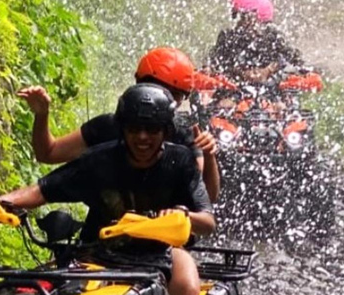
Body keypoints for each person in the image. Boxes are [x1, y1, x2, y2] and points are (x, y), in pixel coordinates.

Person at [0, 84, 215, 295]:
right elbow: (40, 191)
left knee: (187, 288)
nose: (142, 137)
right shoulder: (99, 161)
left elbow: (208, 221)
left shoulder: (181, 161)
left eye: (152, 129)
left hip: (161, 252)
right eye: (134, 129)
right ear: (122, 128)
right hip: (97, 252)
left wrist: (181, 217)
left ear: (166, 131)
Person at [17, 47, 221, 203]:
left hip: (162, 242)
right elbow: (48, 154)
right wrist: (42, 115)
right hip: (103, 237)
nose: (142, 137)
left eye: (173, 96)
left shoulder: (183, 135)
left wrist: (210, 157)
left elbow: (204, 197)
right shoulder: (109, 126)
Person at [208, 0, 304, 84]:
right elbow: (215, 64)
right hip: (236, 89)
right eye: (242, 17)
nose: (246, 22)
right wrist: (241, 72)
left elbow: (294, 61)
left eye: (250, 18)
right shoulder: (229, 38)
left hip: (270, 91)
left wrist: (268, 70)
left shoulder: (273, 38)